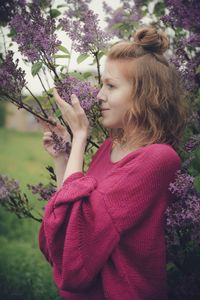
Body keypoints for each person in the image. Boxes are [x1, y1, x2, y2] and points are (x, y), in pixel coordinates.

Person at [38, 26, 188, 300]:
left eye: (111, 86)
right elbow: (71, 220)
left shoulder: (158, 159)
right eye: (101, 85)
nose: (99, 96)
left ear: (144, 95)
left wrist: (81, 136)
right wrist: (64, 156)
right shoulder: (110, 147)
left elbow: (82, 236)